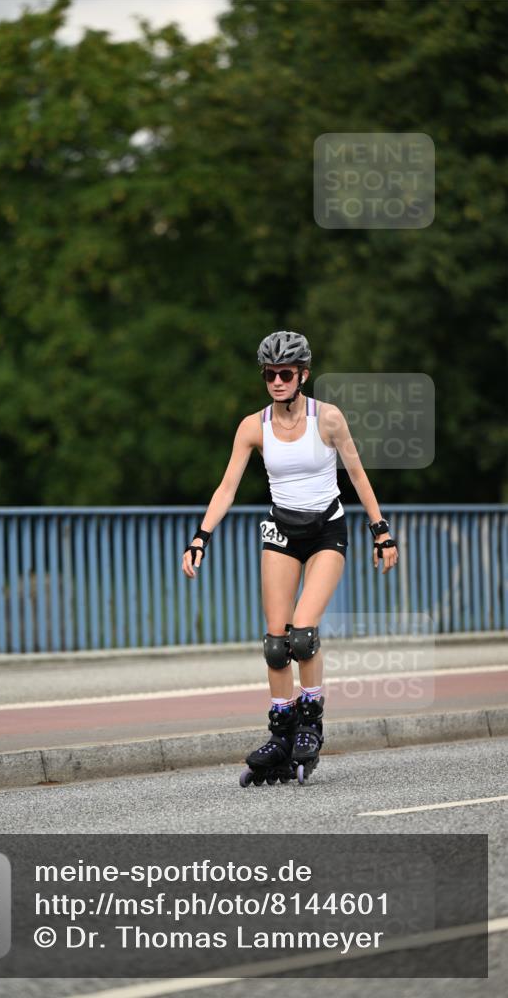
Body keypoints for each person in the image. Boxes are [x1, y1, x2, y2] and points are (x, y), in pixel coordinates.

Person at [181, 330, 398, 786]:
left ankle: (311, 721)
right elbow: (226, 488)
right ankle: (281, 735)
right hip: (280, 530)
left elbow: (357, 476)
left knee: (302, 635)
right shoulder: (252, 427)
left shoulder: (329, 418)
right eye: (269, 375)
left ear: (303, 375)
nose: (277, 381)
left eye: (285, 373)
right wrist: (201, 537)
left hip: (326, 529)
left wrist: (381, 533)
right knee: (276, 644)